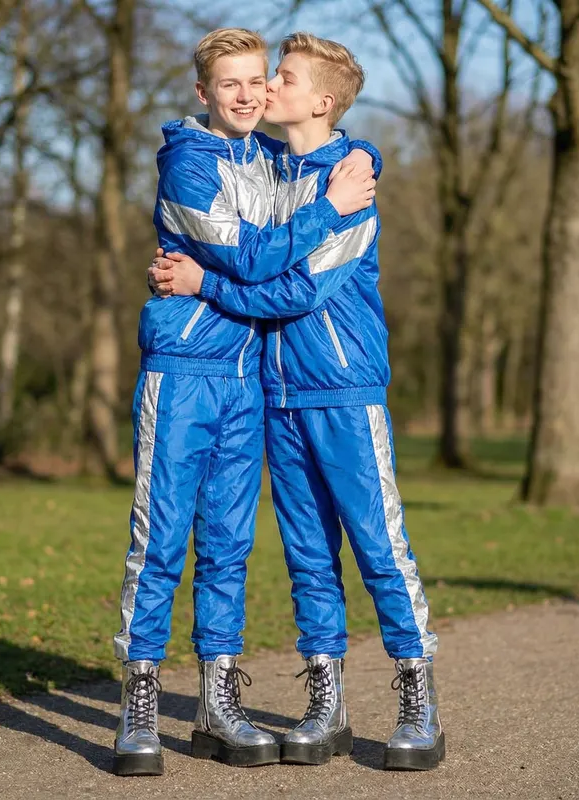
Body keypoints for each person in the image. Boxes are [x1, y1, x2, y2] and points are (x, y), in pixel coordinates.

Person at [150, 32, 445, 772]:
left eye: (282, 75)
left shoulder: (354, 184)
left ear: (320, 101)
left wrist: (203, 284)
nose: (266, 86)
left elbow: (295, 289)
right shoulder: (271, 172)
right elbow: (233, 229)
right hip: (273, 395)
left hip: (344, 393)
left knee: (380, 549)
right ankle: (327, 701)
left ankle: (418, 697)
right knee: (310, 560)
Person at [112, 27, 378, 777]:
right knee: (159, 539)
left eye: (259, 80)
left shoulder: (269, 159)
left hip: (250, 378)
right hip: (183, 368)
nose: (248, 93)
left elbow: (333, 150)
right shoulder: (188, 166)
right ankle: (137, 701)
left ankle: (217, 703)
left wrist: (361, 165)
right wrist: (327, 208)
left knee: (229, 548)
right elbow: (256, 259)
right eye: (230, 82)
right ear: (203, 94)